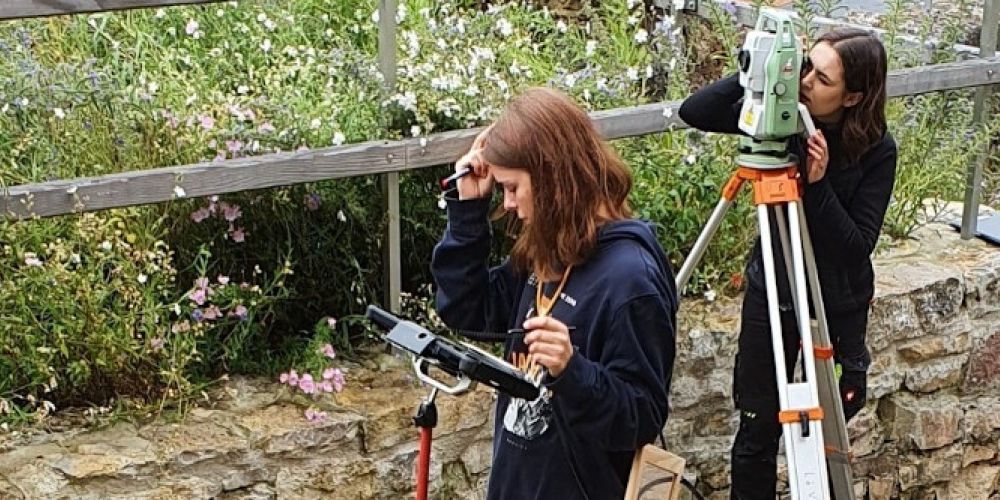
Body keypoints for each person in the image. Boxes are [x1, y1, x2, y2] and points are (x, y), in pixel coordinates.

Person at [678, 29, 897, 499]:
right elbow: (695, 111)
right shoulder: (780, 122)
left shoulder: (877, 149)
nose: (805, 82)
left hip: (834, 304)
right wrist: (758, 68)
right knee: (757, 427)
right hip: (773, 292)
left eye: (822, 78)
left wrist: (816, 185)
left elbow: (855, 246)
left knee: (829, 427)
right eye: (805, 66)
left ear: (853, 97)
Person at [431, 86, 677, 500]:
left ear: (552, 178)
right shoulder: (553, 248)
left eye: (513, 187)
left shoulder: (631, 280)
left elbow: (641, 418)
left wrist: (572, 370)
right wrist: (468, 211)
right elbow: (469, 310)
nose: (508, 203)